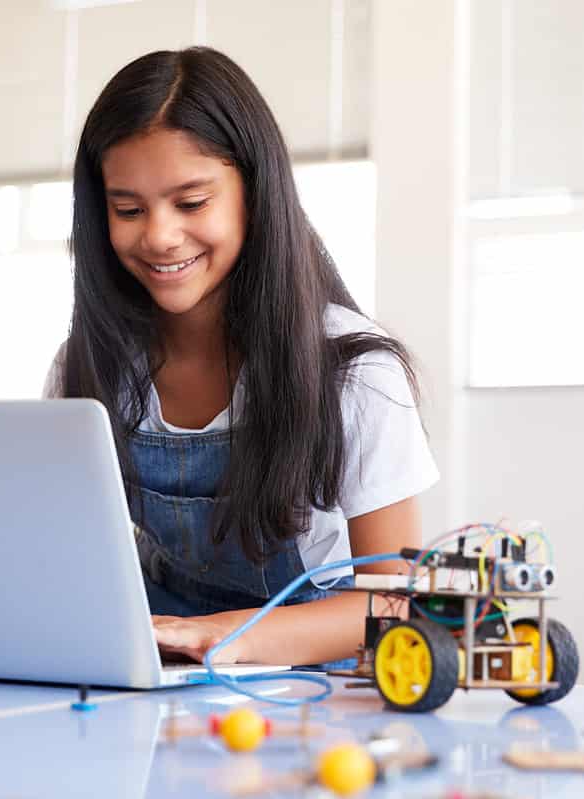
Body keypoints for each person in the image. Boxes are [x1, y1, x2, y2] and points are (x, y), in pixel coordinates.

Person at [43, 46, 438, 668]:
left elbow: (396, 605)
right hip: (159, 669)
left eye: (192, 203)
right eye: (128, 209)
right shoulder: (88, 367)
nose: (159, 236)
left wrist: (226, 635)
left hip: (307, 682)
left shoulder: (353, 370)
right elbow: (68, 565)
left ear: (255, 194)